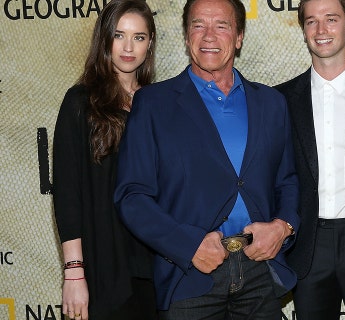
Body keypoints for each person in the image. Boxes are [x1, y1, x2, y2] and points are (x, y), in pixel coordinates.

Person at [113, 0, 300, 318]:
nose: (209, 36)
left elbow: (288, 181)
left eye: (222, 26)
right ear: (187, 36)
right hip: (189, 277)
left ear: (239, 36)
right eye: (198, 25)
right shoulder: (154, 104)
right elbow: (132, 196)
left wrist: (283, 227)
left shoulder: (271, 103)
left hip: (260, 274)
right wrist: (188, 246)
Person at [274, 0, 345, 319]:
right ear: (303, 29)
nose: (321, 30)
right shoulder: (280, 100)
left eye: (331, 19)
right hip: (307, 243)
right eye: (311, 21)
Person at [52, 1, 157, 319]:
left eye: (139, 37)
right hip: (103, 267)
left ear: (149, 43)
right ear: (104, 40)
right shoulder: (80, 102)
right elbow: (68, 194)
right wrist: (74, 273)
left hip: (155, 266)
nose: (128, 47)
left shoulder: (157, 102)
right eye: (119, 35)